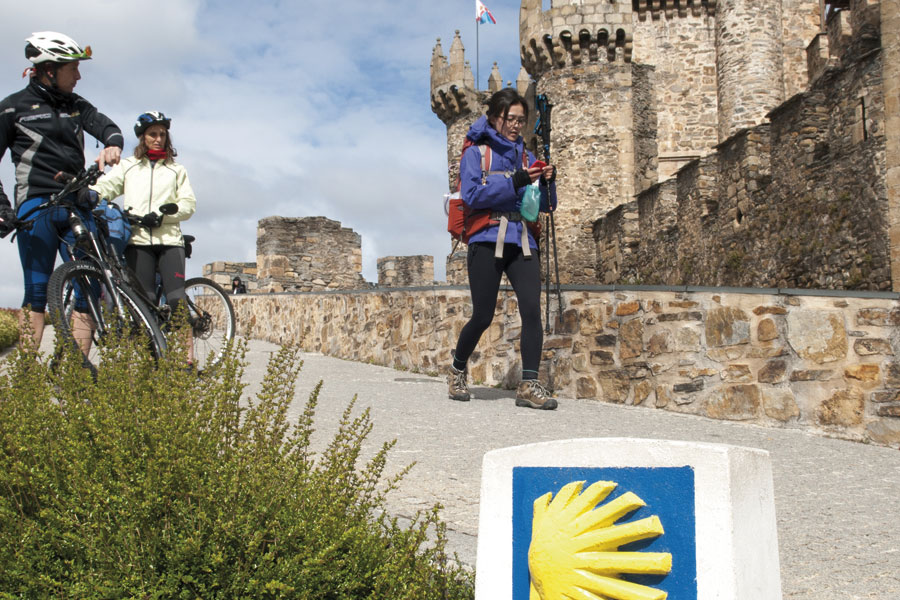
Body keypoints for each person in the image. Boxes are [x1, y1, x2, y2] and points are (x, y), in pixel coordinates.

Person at [0, 32, 123, 348]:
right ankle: (28, 379)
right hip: (35, 208)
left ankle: (78, 377)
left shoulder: (76, 105)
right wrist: (2, 208)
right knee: (37, 292)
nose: (79, 76)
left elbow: (106, 126)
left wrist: (112, 144)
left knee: (88, 288)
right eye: (73, 69)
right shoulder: (12, 108)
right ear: (50, 69)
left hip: (77, 205)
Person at [447, 88, 559, 410]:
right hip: (485, 238)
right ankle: (456, 369)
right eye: (510, 119)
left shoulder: (526, 156)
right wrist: (516, 180)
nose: (515, 125)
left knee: (531, 310)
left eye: (521, 120)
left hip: (522, 238)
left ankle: (529, 384)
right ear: (495, 117)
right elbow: (471, 196)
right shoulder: (476, 153)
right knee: (482, 315)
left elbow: (546, 206)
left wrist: (548, 181)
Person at [91, 111, 196, 361]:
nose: (158, 138)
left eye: (162, 134)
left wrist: (163, 216)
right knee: (144, 301)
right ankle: (151, 359)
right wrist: (90, 193)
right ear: (142, 137)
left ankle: (187, 361)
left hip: (169, 240)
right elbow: (108, 187)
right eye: (153, 134)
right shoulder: (128, 167)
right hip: (137, 241)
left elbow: (189, 204)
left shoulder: (176, 170)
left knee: (177, 299)